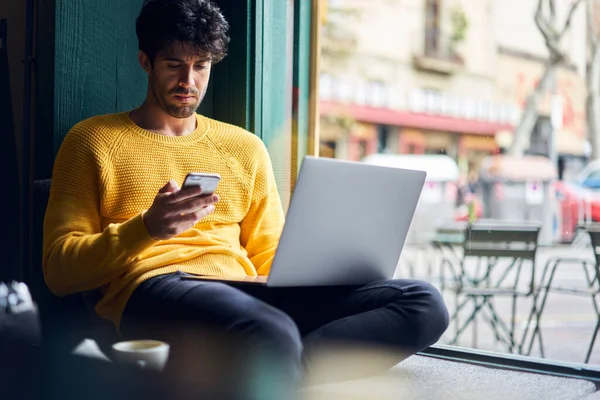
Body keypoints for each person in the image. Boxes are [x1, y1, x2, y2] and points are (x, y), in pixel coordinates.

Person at [43, 0, 448, 391]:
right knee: (271, 331)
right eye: (173, 65)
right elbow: (59, 271)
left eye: (200, 66)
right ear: (145, 61)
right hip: (154, 287)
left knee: (423, 302)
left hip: (245, 290)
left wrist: (323, 272)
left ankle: (272, 371)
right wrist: (147, 228)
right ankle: (273, 362)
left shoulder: (243, 146)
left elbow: (269, 253)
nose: (188, 81)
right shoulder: (93, 141)